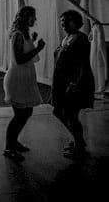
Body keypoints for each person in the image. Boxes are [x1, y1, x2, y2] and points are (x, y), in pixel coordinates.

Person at [2, 6, 45, 161]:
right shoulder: (18, 35)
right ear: (26, 17)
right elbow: (20, 59)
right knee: (19, 115)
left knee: (26, 113)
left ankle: (14, 142)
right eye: (33, 17)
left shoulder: (23, 34)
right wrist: (38, 48)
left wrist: (31, 41)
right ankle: (8, 147)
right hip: (17, 79)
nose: (35, 20)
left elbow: (23, 50)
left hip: (24, 79)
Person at [50, 10, 95, 159]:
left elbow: (83, 64)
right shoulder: (67, 37)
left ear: (76, 22)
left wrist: (75, 83)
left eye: (66, 21)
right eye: (62, 22)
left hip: (76, 81)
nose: (63, 24)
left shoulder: (81, 39)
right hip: (62, 82)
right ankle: (78, 140)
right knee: (58, 111)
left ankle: (79, 146)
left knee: (71, 114)